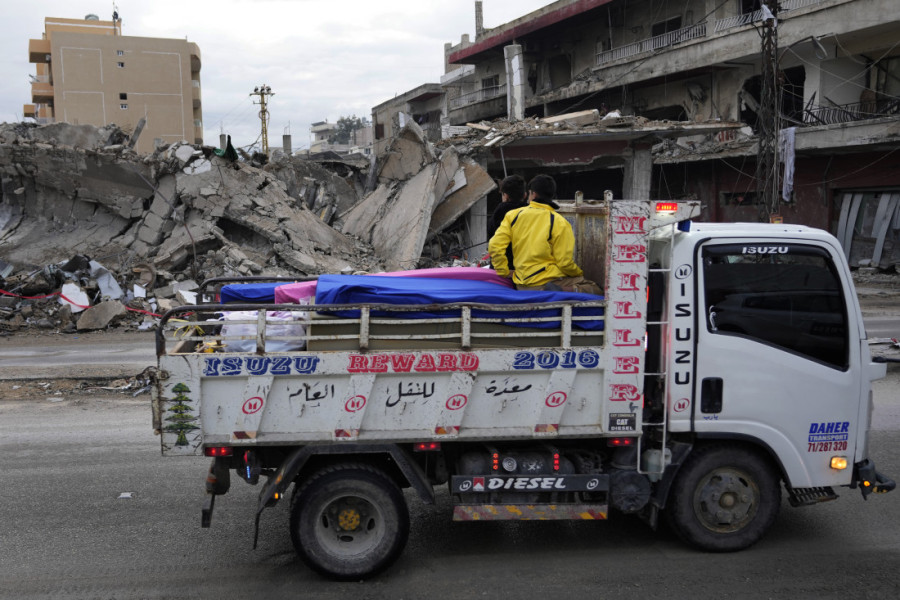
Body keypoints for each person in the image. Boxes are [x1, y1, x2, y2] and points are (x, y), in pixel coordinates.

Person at [488, 174, 601, 295]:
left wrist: (504, 271)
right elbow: (564, 262)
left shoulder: (513, 215)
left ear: (533, 194)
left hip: (521, 283)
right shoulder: (559, 222)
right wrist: (578, 274)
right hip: (546, 281)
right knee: (595, 288)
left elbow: (494, 246)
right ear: (551, 195)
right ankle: (563, 290)